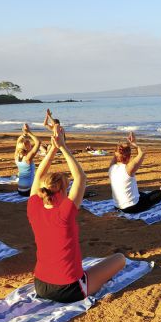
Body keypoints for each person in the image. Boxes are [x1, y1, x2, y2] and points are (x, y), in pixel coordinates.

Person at [28, 123, 125, 303]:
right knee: (119, 259)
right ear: (63, 191)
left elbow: (38, 174)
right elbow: (81, 177)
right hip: (70, 289)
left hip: (40, 285)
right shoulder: (65, 211)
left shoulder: (33, 207)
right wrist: (62, 146)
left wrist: (52, 150)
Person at [109, 132, 161, 213]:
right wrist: (134, 143)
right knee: (159, 193)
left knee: (140, 193)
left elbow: (116, 154)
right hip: (132, 207)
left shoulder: (111, 167)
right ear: (129, 156)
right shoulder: (128, 168)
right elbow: (142, 152)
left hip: (117, 206)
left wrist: (125, 145)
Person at [15, 123, 40, 196]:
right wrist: (29, 132)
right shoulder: (28, 158)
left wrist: (24, 134)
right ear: (26, 148)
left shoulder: (16, 156)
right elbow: (38, 142)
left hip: (20, 190)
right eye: (29, 143)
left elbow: (18, 142)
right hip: (28, 191)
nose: (31, 144)